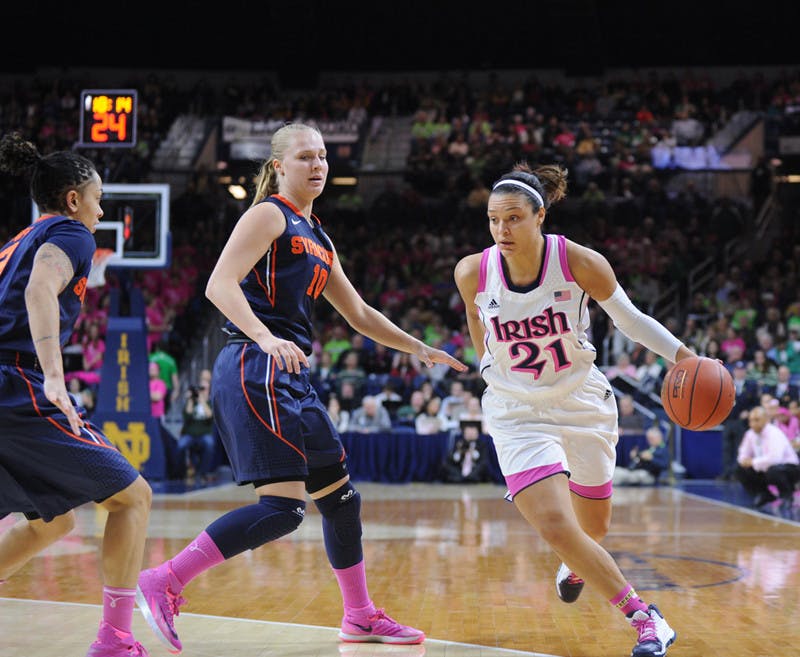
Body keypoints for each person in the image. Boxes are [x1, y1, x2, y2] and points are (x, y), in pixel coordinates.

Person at [135, 122, 466, 652]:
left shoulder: (319, 236)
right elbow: (218, 284)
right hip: (255, 365)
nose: (317, 165)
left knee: (342, 500)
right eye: (306, 157)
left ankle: (359, 617)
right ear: (279, 167)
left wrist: (417, 348)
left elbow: (358, 313)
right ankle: (164, 579)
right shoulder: (267, 213)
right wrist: (265, 337)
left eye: (323, 157)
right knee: (283, 510)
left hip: (291, 374)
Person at [454, 162, 695, 657]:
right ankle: (646, 619)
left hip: (581, 400)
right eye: (494, 220)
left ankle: (577, 562)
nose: (502, 230)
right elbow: (477, 325)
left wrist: (684, 356)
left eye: (514, 218)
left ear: (540, 215)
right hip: (515, 409)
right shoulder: (472, 270)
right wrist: (485, 368)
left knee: (593, 528)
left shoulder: (579, 261)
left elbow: (630, 320)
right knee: (556, 524)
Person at [0, 133, 152, 657]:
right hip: (17, 385)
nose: (100, 208)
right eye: (97, 198)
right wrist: (54, 375)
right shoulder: (71, 234)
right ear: (72, 199)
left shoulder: (13, 242)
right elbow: (40, 289)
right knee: (133, 497)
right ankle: (115, 640)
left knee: (56, 518)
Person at [735, 405, 800, 508]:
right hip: (767, 467)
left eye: (757, 420)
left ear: (766, 419)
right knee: (740, 469)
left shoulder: (774, 433)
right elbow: (742, 455)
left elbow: (775, 459)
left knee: (774, 470)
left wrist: (752, 462)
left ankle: (787, 496)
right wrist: (744, 461)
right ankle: (764, 494)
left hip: (790, 468)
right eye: (751, 420)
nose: (753, 424)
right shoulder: (750, 434)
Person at [177, 370, 217, 483]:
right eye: (200, 388)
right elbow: (187, 416)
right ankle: (182, 473)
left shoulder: (210, 402)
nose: (201, 391)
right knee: (180, 446)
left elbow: (210, 416)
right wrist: (190, 398)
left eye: (204, 389)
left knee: (210, 444)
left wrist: (202, 400)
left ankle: (202, 473)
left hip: (204, 434)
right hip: (189, 434)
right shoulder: (192, 402)